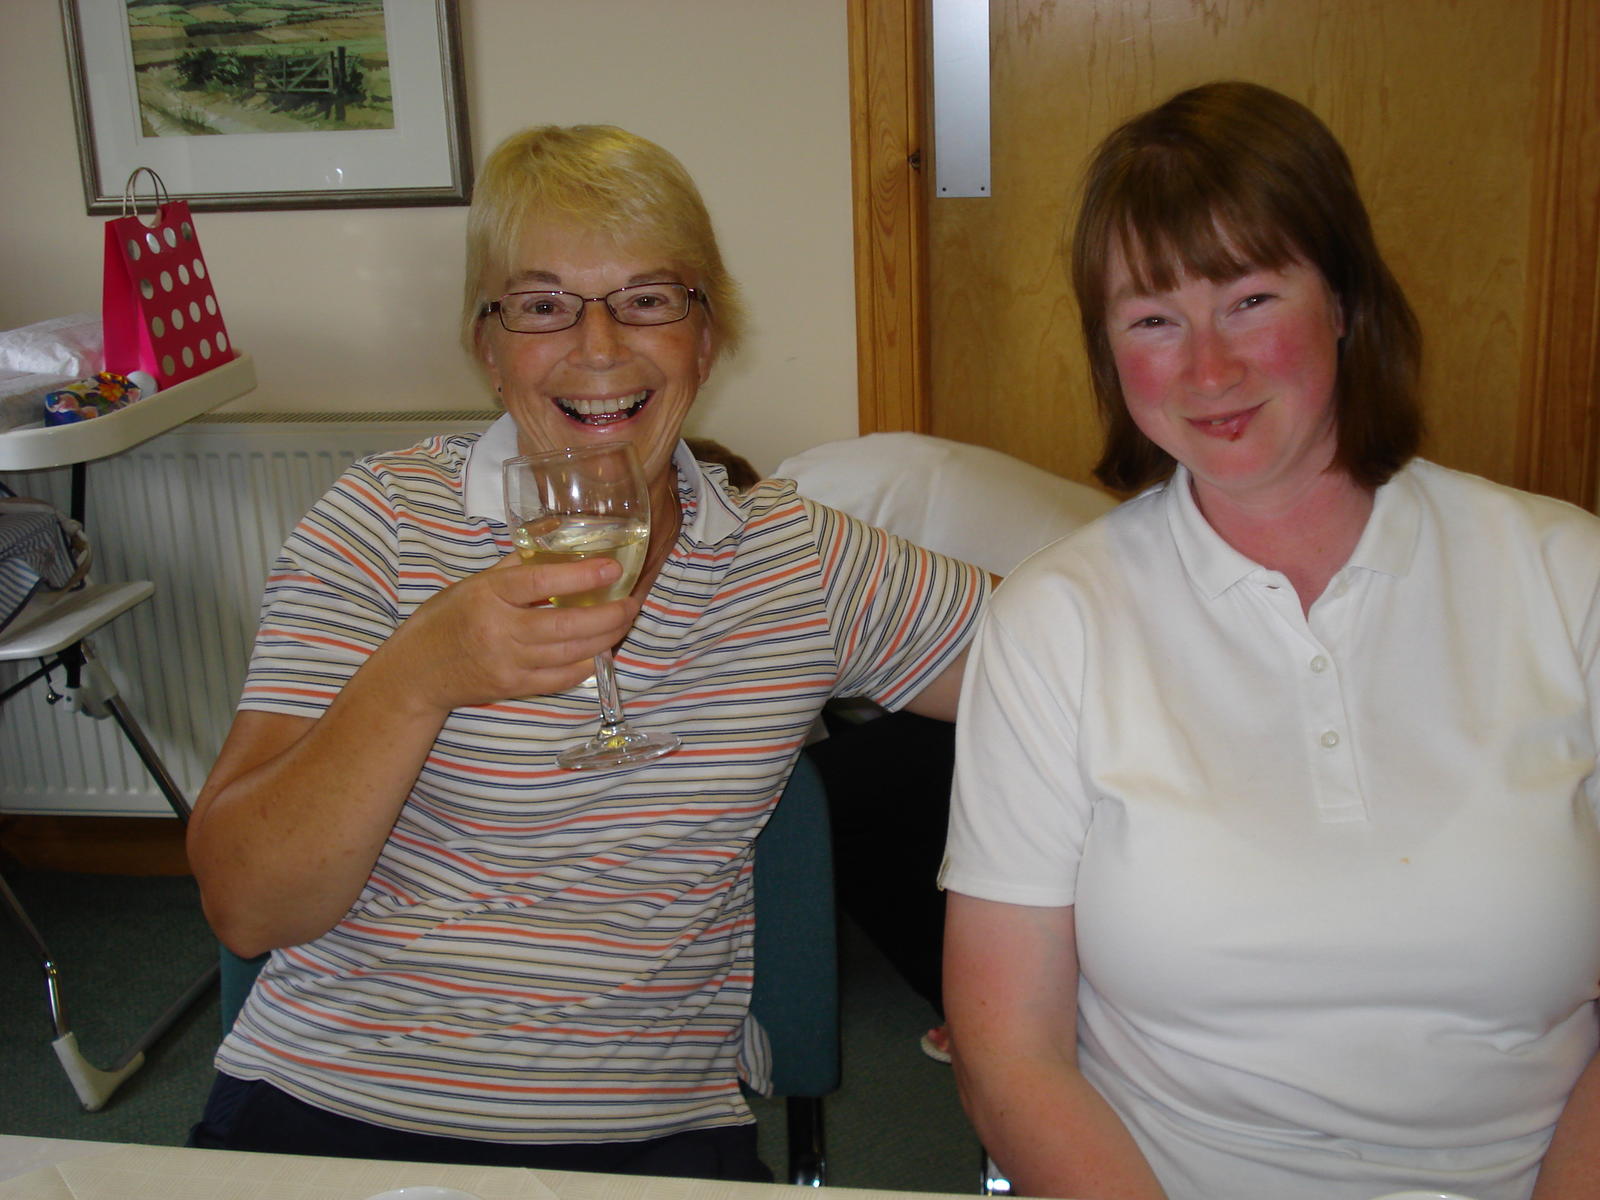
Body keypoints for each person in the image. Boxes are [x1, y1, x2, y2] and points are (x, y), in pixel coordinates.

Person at [184, 124, 988, 1180]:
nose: (598, 346)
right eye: (542, 305)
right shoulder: (380, 522)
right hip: (332, 1103)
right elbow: (247, 908)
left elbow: (1068, 671)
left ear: (706, 338)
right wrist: (420, 674)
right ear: (488, 347)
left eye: (649, 299)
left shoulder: (800, 561)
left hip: (649, 1137)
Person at [940, 81, 1600, 1200]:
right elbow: (1010, 1054)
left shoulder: (1567, 577)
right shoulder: (1054, 623)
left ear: (1343, 298)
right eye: (1153, 320)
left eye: (1248, 299)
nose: (1209, 369)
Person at [777, 433, 1116, 1062]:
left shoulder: (786, 523)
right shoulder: (833, 470)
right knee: (861, 764)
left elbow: (779, 754)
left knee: (822, 798)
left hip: (1099, 677)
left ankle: (986, 1007)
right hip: (1101, 641)